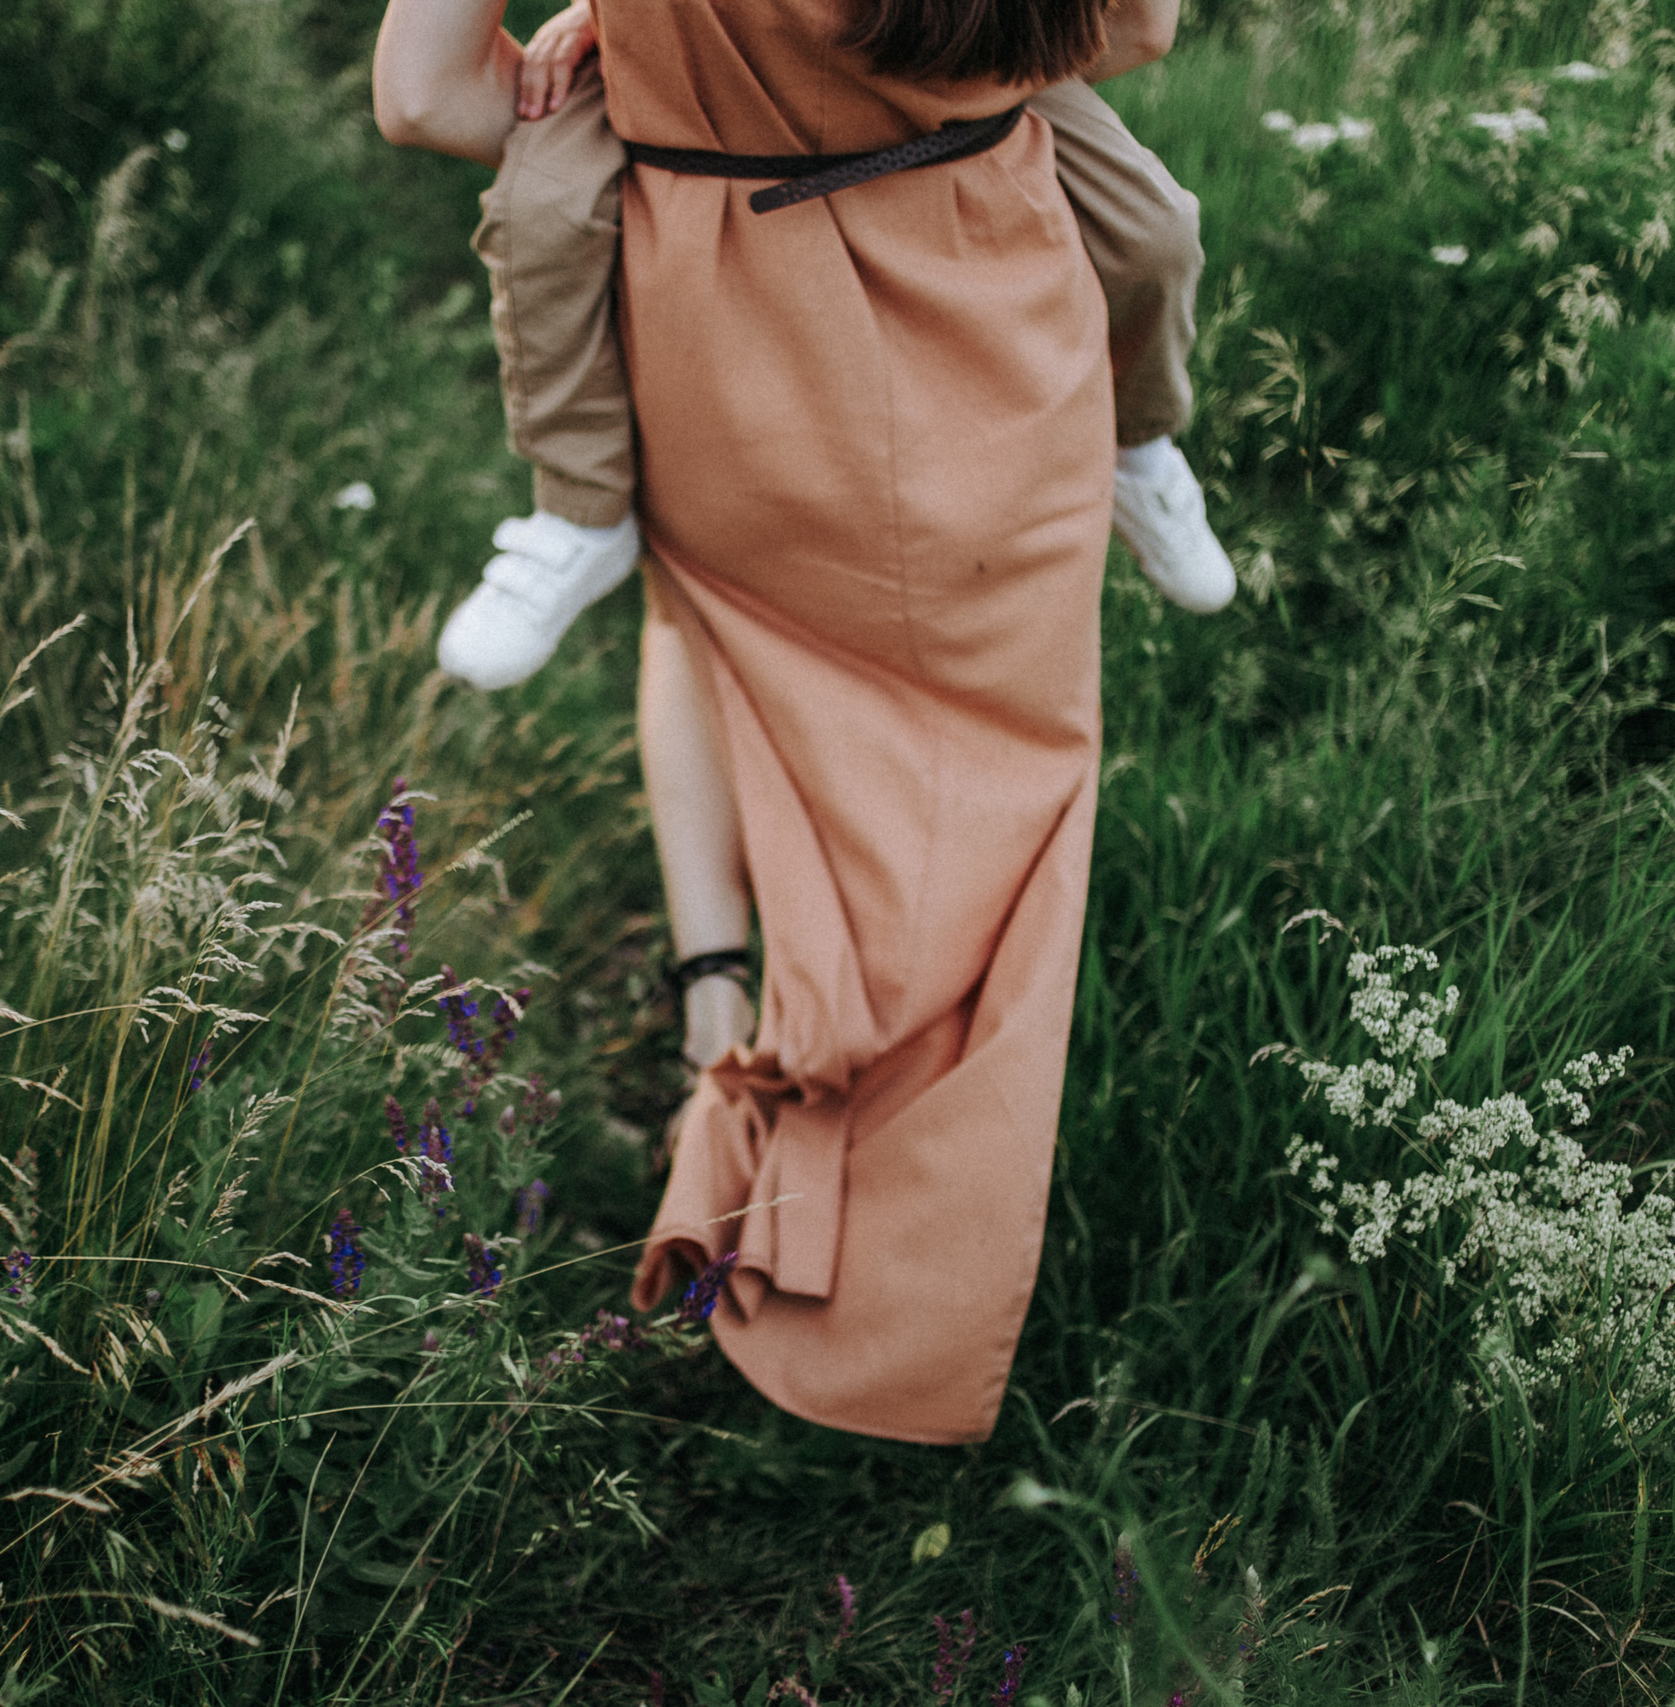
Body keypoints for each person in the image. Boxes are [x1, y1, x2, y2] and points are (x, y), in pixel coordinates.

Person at [377, 0, 1121, 1443]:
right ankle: (903, 1269)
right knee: (1006, 769)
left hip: (722, 303)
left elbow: (425, 97)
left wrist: (643, 87)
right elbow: (1125, 35)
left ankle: (725, 1013)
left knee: (709, 622)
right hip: (992, 306)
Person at [432, 0, 1233, 693]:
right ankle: (579, 510)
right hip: (688, 91)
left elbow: (1140, 32)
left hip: (952, 63)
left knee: (1153, 227)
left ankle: (1138, 440)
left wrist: (954, 86)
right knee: (546, 210)